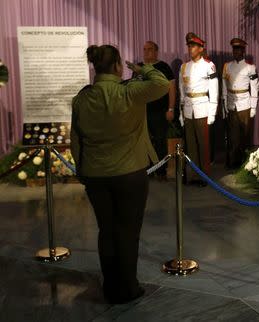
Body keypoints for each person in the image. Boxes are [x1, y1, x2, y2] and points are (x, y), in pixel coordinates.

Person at [70, 44, 169, 304]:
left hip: (95, 174)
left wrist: (81, 170)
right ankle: (127, 288)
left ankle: (110, 286)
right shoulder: (131, 92)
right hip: (129, 174)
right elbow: (161, 84)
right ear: (117, 66)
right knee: (127, 231)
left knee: (106, 230)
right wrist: (142, 67)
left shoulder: (82, 98)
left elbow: (75, 139)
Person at [179, 32, 218, 186]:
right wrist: (181, 112)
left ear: (201, 48)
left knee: (203, 145)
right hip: (188, 109)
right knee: (191, 145)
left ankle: (205, 176)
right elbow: (182, 90)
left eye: (194, 46)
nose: (190, 48)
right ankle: (194, 175)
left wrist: (212, 112)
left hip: (203, 108)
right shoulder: (184, 67)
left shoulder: (209, 65)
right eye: (189, 46)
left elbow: (214, 89)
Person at [136, 41, 176, 180]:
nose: (146, 52)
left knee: (160, 142)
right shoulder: (139, 67)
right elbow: (132, 89)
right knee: (144, 142)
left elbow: (171, 88)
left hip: (160, 111)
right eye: (144, 49)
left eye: (150, 49)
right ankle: (147, 171)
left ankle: (161, 171)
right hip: (142, 112)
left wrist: (171, 108)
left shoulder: (163, 67)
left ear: (156, 51)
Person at [222, 37, 259, 168]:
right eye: (234, 49)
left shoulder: (250, 67)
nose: (235, 52)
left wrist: (253, 107)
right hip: (231, 103)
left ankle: (244, 162)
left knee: (244, 135)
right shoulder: (227, 66)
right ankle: (232, 162)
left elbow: (254, 88)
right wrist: (224, 104)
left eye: (238, 49)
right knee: (232, 136)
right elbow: (224, 86)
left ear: (243, 51)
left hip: (245, 104)